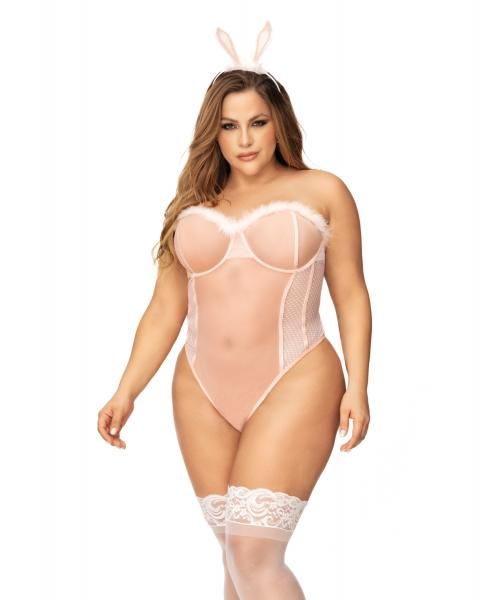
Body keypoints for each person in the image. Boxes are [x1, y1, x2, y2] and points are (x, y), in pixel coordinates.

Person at [97, 21, 371, 599]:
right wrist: (126, 390)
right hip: (200, 389)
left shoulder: (323, 190)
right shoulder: (190, 205)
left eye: (257, 122)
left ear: (279, 124)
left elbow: (350, 292)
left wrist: (359, 386)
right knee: (234, 555)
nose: (245, 139)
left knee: (253, 553)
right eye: (229, 125)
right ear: (213, 133)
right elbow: (165, 308)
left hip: (298, 376)